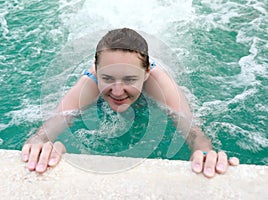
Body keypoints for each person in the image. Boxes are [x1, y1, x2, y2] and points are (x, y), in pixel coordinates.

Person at [21, 28, 239, 178]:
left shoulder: (160, 84)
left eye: (129, 79)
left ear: (145, 73)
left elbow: (194, 133)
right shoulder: (89, 83)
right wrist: (40, 146)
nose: (117, 91)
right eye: (107, 79)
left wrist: (202, 153)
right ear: (97, 70)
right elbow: (46, 131)